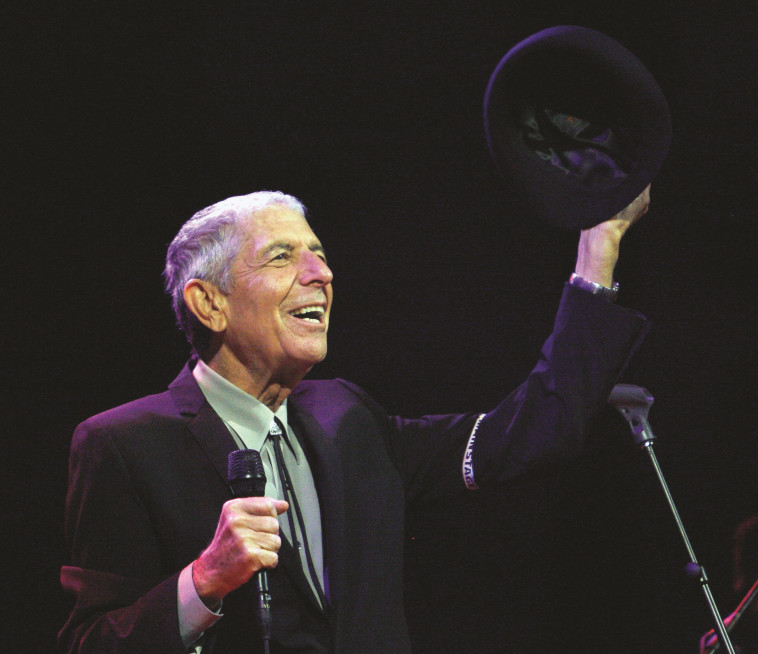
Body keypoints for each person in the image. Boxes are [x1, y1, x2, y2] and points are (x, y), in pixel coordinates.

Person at [59, 188, 651, 653]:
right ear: (209, 303)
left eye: (318, 253)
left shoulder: (348, 418)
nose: (320, 273)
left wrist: (600, 244)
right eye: (282, 256)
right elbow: (91, 643)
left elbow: (531, 432)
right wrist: (204, 580)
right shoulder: (125, 444)